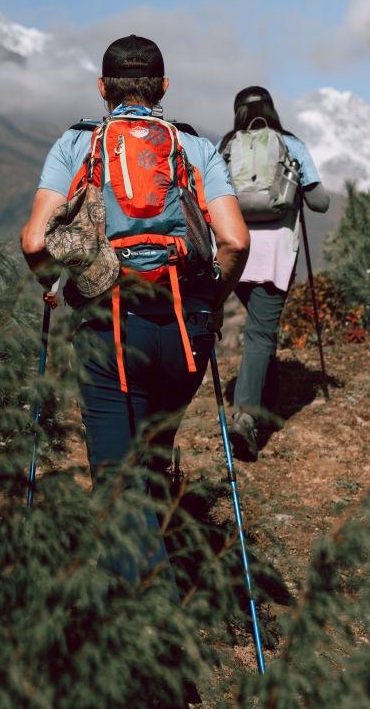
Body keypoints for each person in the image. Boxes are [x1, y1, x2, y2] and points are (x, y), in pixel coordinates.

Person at [19, 35, 249, 580]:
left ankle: (150, 631)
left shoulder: (77, 144)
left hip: (111, 329)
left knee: (118, 486)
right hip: (186, 329)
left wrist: (56, 284)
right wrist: (210, 307)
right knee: (146, 460)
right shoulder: (194, 146)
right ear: (163, 88)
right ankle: (148, 578)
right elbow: (235, 242)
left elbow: (35, 241)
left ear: (102, 89)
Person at [219, 86, 329, 461]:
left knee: (259, 328)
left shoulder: (226, 145)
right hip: (275, 256)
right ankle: (246, 417)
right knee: (261, 333)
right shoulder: (290, 143)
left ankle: (268, 403)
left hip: (234, 252)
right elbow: (320, 202)